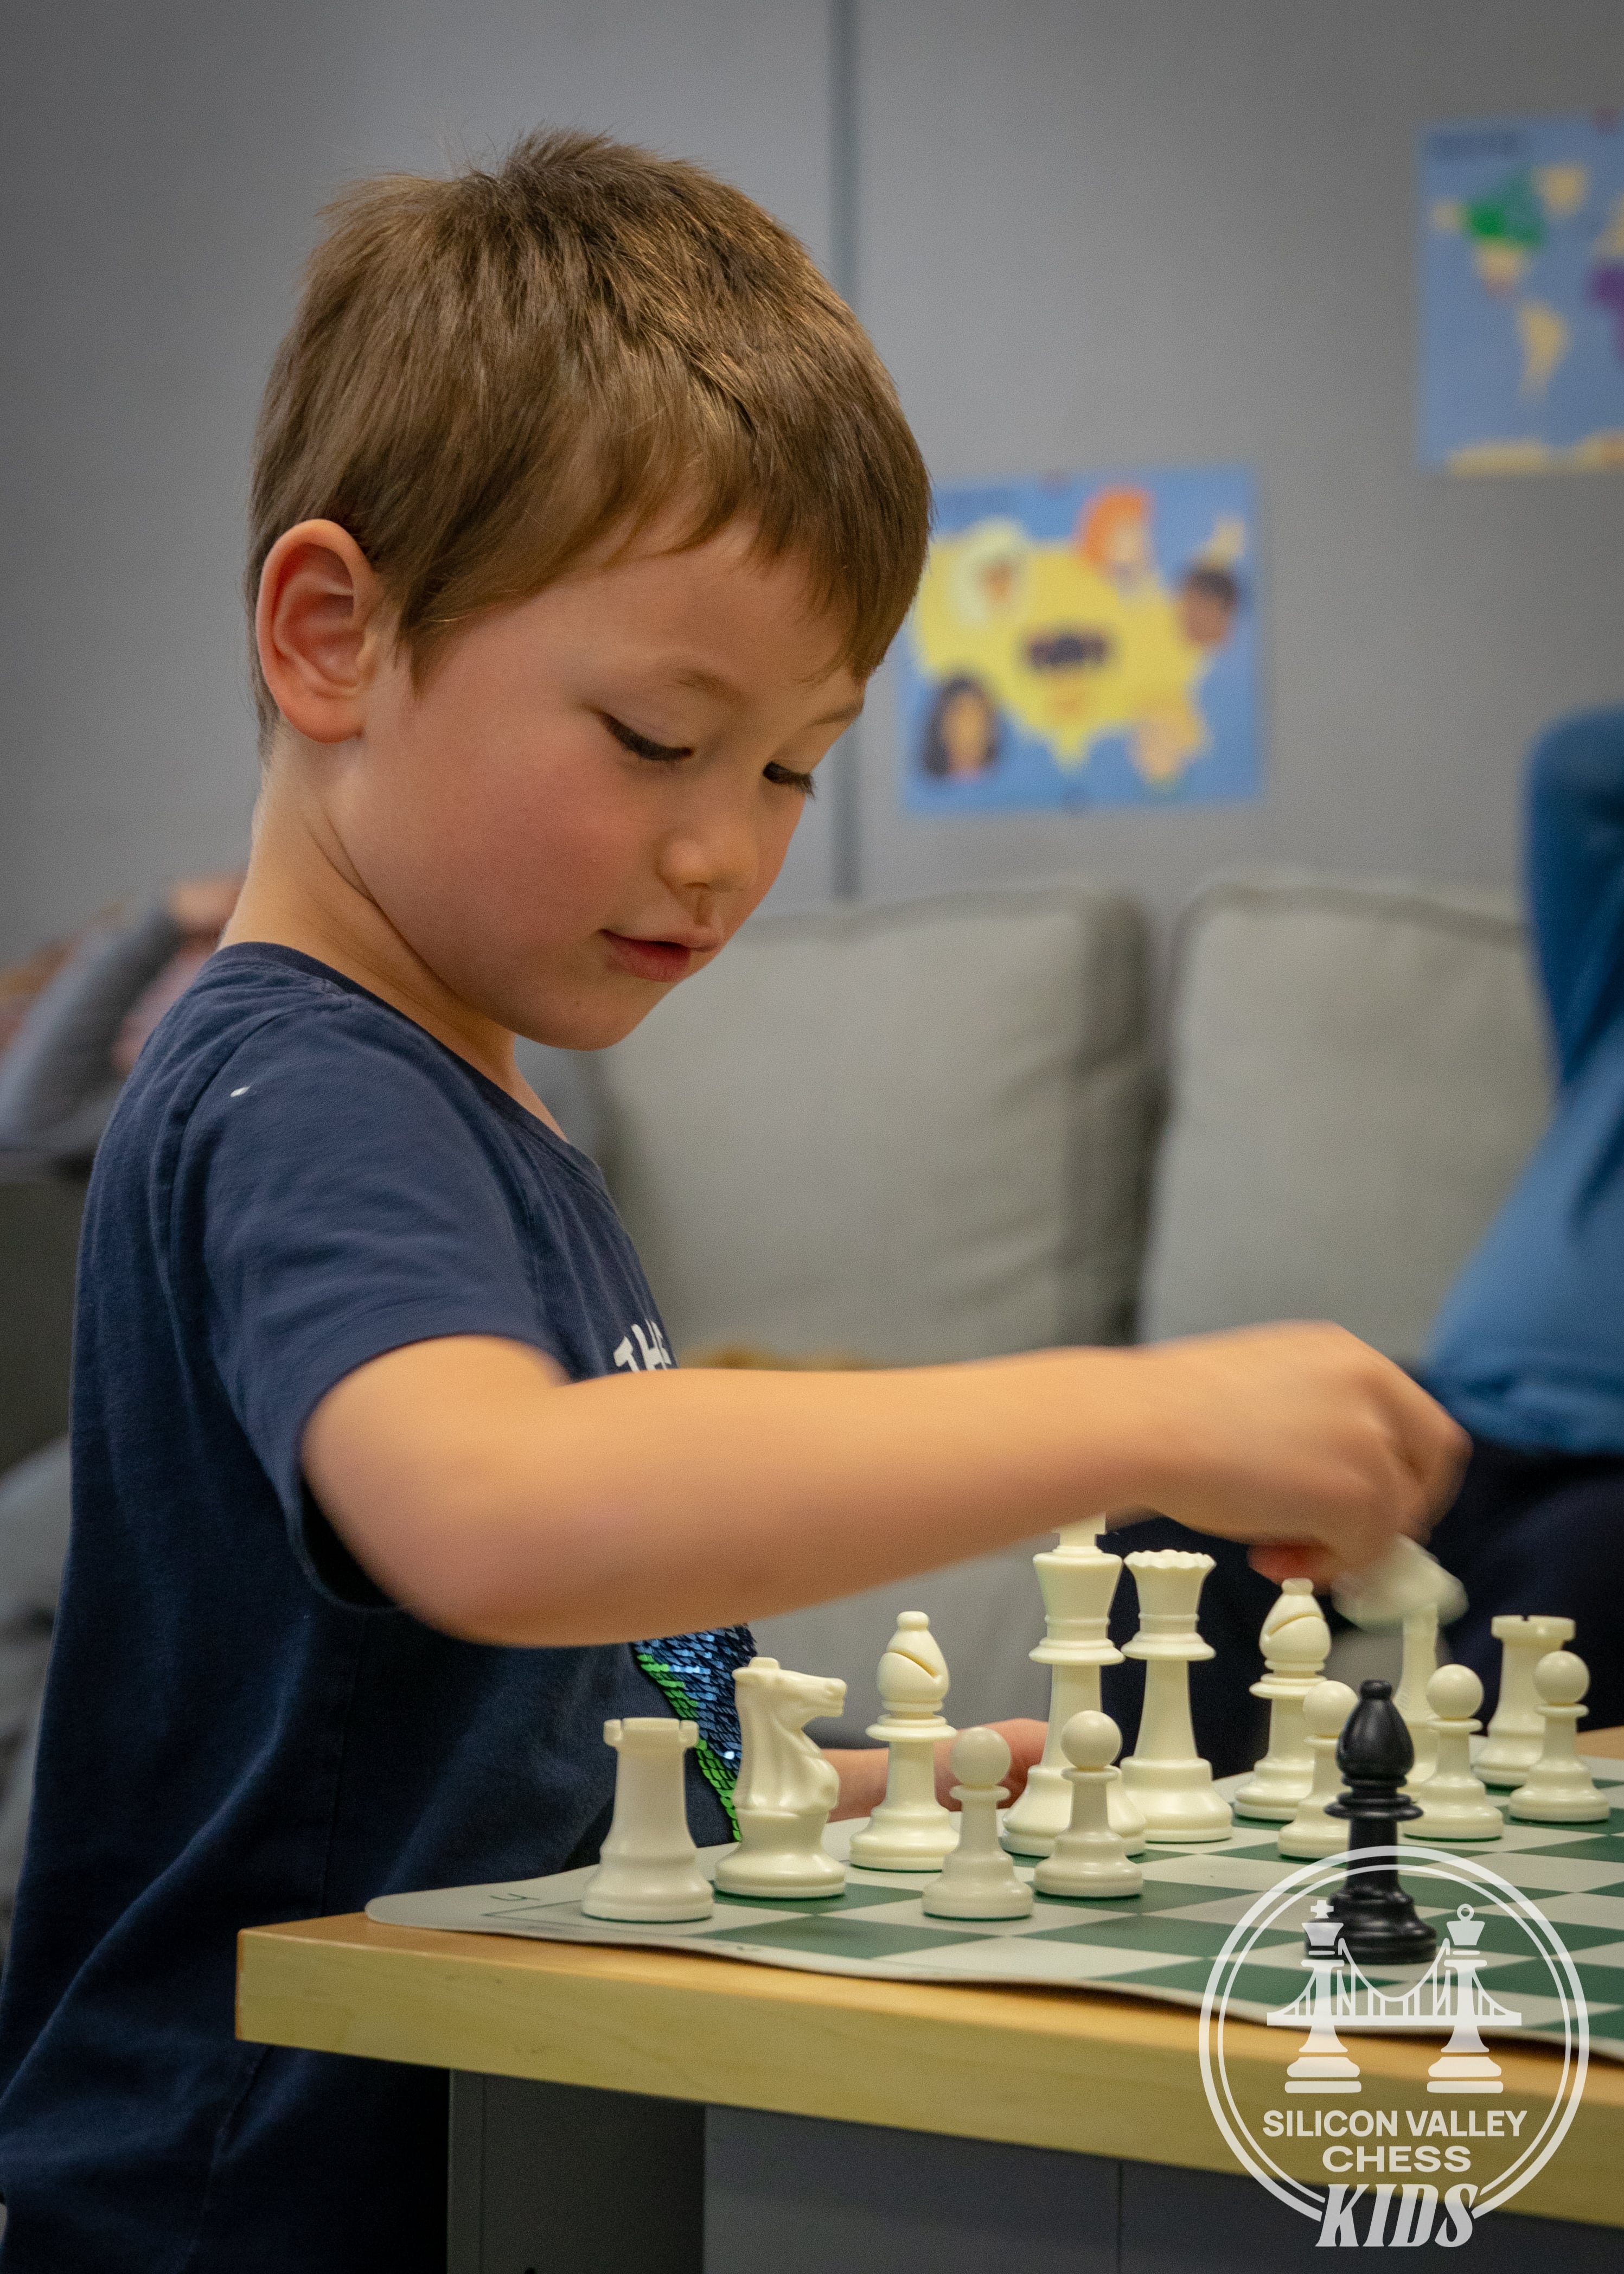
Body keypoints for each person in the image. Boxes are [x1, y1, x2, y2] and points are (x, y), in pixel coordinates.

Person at [0, 131, 1465, 2270]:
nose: (726, 854)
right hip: (234, 2207)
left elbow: (516, 1740)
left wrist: (820, 1792)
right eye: (654, 736)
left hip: (478, 2159)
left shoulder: (490, 1123)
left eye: (790, 766)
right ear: (331, 636)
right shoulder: (302, 1085)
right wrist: (1145, 1411)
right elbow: (491, 1509)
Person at [1418, 708, 1624, 1726]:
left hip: (1610, 1483)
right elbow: (1579, 765)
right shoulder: (1610, 1002)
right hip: (1471, 1411)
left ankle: (1443, 1881)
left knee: (1552, 1614)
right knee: (1181, 1533)